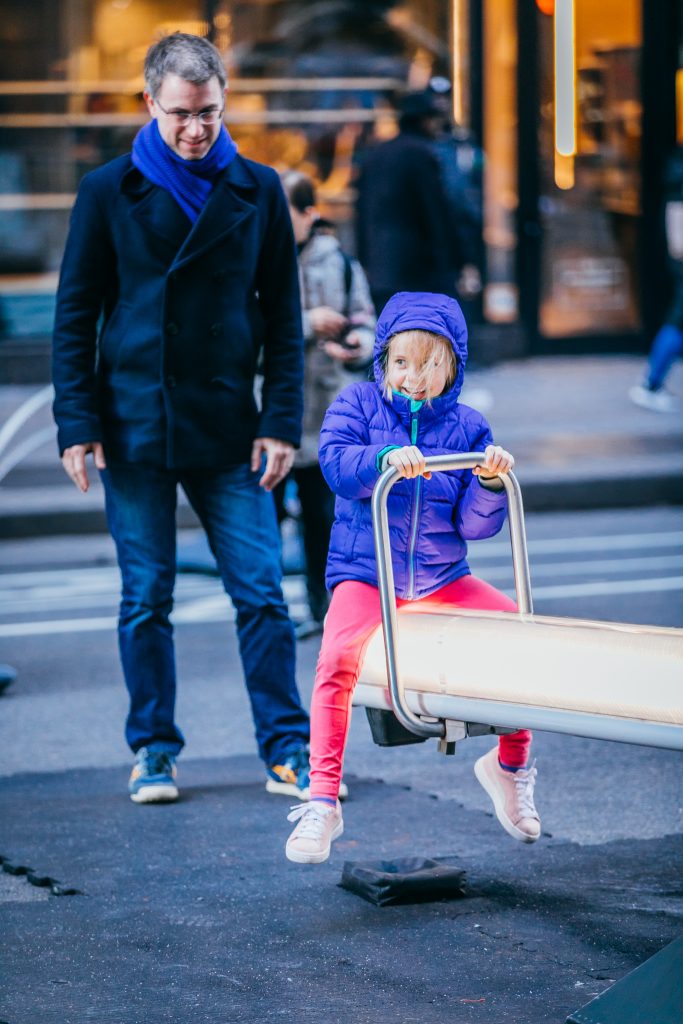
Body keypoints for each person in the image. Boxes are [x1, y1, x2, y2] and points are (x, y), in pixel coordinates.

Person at [52, 32, 312, 805]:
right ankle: (154, 752)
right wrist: (76, 422)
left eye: (209, 114)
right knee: (145, 598)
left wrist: (282, 422)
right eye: (180, 117)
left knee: (262, 592)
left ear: (223, 102)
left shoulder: (258, 188)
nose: (196, 131)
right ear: (149, 104)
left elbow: (283, 321)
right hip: (133, 421)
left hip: (230, 423)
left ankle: (287, 747)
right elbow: (75, 315)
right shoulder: (108, 190)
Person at [284, 291, 540, 864]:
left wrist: (490, 484)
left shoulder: (469, 426)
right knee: (335, 661)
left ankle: (511, 767)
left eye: (428, 364)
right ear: (383, 362)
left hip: (442, 575)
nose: (414, 377)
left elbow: (473, 527)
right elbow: (336, 465)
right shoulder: (356, 404)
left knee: (521, 638)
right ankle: (322, 798)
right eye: (402, 362)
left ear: (451, 367)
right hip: (368, 571)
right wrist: (384, 457)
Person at [276, 170, 376, 632]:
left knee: (323, 517)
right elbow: (237, 333)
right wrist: (304, 323)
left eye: (285, 211)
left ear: (309, 214)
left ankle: (323, 607)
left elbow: (366, 321)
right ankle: (267, 611)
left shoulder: (340, 262)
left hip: (328, 413)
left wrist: (358, 343)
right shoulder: (254, 259)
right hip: (269, 416)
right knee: (263, 520)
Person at [354, 91, 464, 314]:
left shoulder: (376, 154)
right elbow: (436, 213)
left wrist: (365, 259)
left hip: (382, 268)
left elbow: (362, 211)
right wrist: (454, 264)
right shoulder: (421, 154)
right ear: (425, 120)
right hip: (418, 269)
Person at [629, 146, 683, 413]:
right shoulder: (678, 190)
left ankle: (652, 382)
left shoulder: (674, 185)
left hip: (678, 263)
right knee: (678, 321)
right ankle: (651, 383)